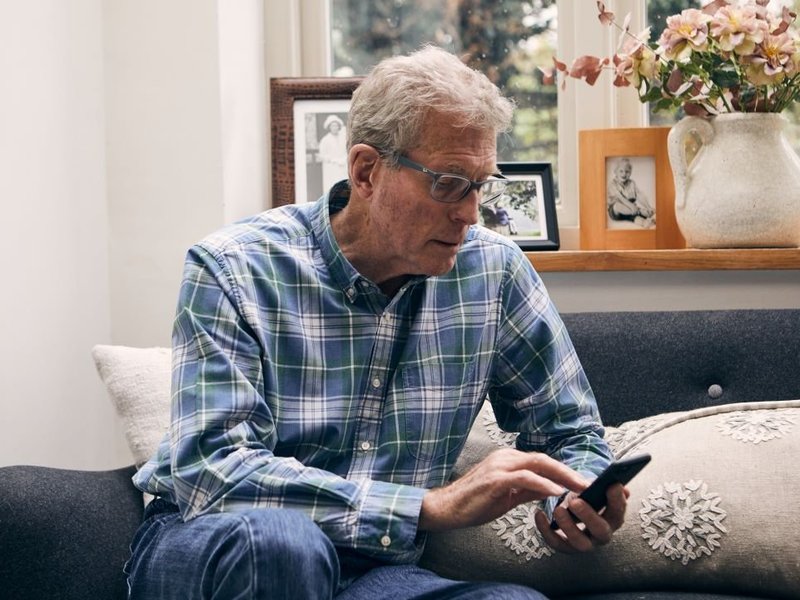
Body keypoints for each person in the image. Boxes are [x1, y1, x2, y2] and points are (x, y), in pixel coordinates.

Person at [125, 45, 626, 600]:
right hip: (216, 543)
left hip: (376, 571)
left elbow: (570, 431)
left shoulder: (495, 271)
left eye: (481, 184)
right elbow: (213, 470)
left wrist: (575, 497)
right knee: (284, 547)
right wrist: (428, 507)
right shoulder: (234, 267)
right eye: (449, 182)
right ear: (366, 171)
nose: (468, 213)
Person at [607, 157, 655, 228]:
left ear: (630, 172)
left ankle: (646, 222)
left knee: (633, 217)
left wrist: (648, 207)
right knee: (617, 206)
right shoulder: (612, 184)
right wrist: (636, 209)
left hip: (630, 210)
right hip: (616, 212)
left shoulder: (631, 183)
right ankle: (641, 212)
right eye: (621, 171)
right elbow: (621, 198)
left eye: (627, 171)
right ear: (615, 172)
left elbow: (639, 195)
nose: (624, 174)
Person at [318, 114, 348, 190]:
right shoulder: (325, 140)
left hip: (343, 166)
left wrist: (343, 159)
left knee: (343, 186)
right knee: (332, 185)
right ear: (329, 127)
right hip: (331, 167)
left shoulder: (343, 138)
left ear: (339, 127)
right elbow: (322, 155)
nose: (335, 128)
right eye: (333, 126)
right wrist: (333, 160)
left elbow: (347, 150)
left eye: (336, 126)